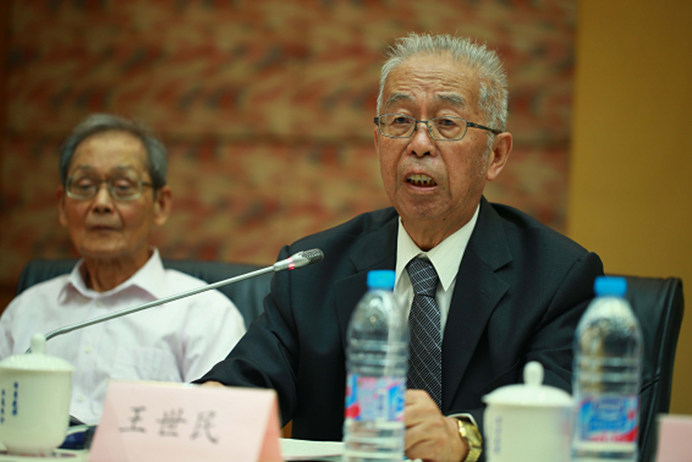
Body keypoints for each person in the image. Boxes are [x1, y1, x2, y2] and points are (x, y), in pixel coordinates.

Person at [197, 33, 604, 462]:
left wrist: (463, 437)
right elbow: (246, 386)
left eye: (447, 123)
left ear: (495, 155)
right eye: (400, 121)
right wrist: (209, 404)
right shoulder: (313, 269)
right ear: (378, 144)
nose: (419, 144)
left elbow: (565, 416)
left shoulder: (557, 278)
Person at [0, 114, 246, 426]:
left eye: (123, 187)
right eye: (85, 186)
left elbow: (219, 430)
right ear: (62, 205)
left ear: (160, 205)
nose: (101, 203)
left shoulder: (205, 314)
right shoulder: (25, 311)